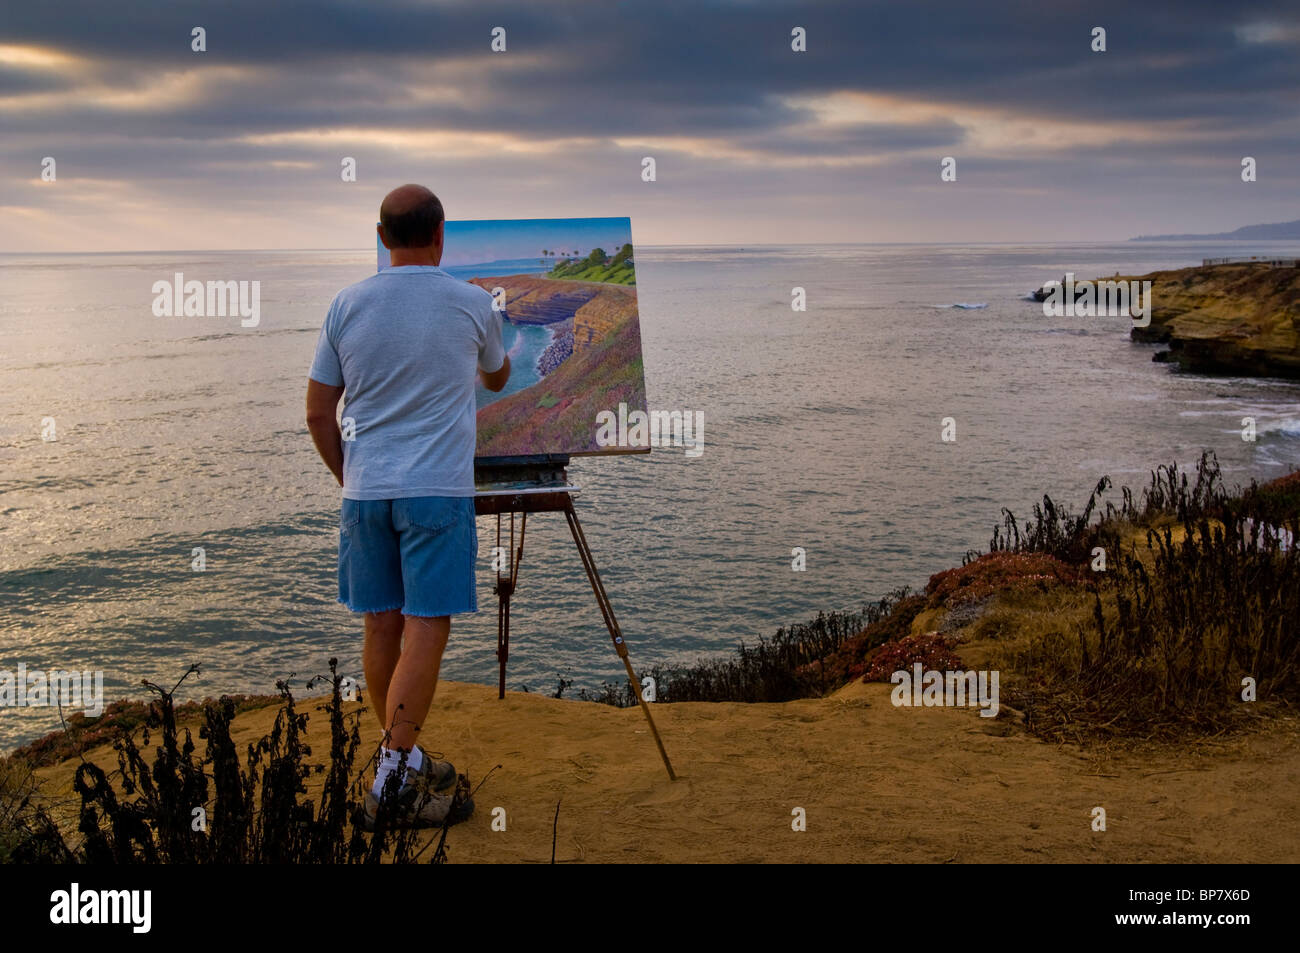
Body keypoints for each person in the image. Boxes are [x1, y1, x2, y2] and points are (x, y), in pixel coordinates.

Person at [306, 184, 511, 829]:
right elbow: (499, 376)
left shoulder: (347, 304)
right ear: (440, 234)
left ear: (381, 235)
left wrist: (349, 476)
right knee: (427, 625)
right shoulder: (473, 304)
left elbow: (318, 411)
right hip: (436, 492)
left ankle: (406, 758)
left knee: (380, 626)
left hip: (366, 492)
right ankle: (391, 781)